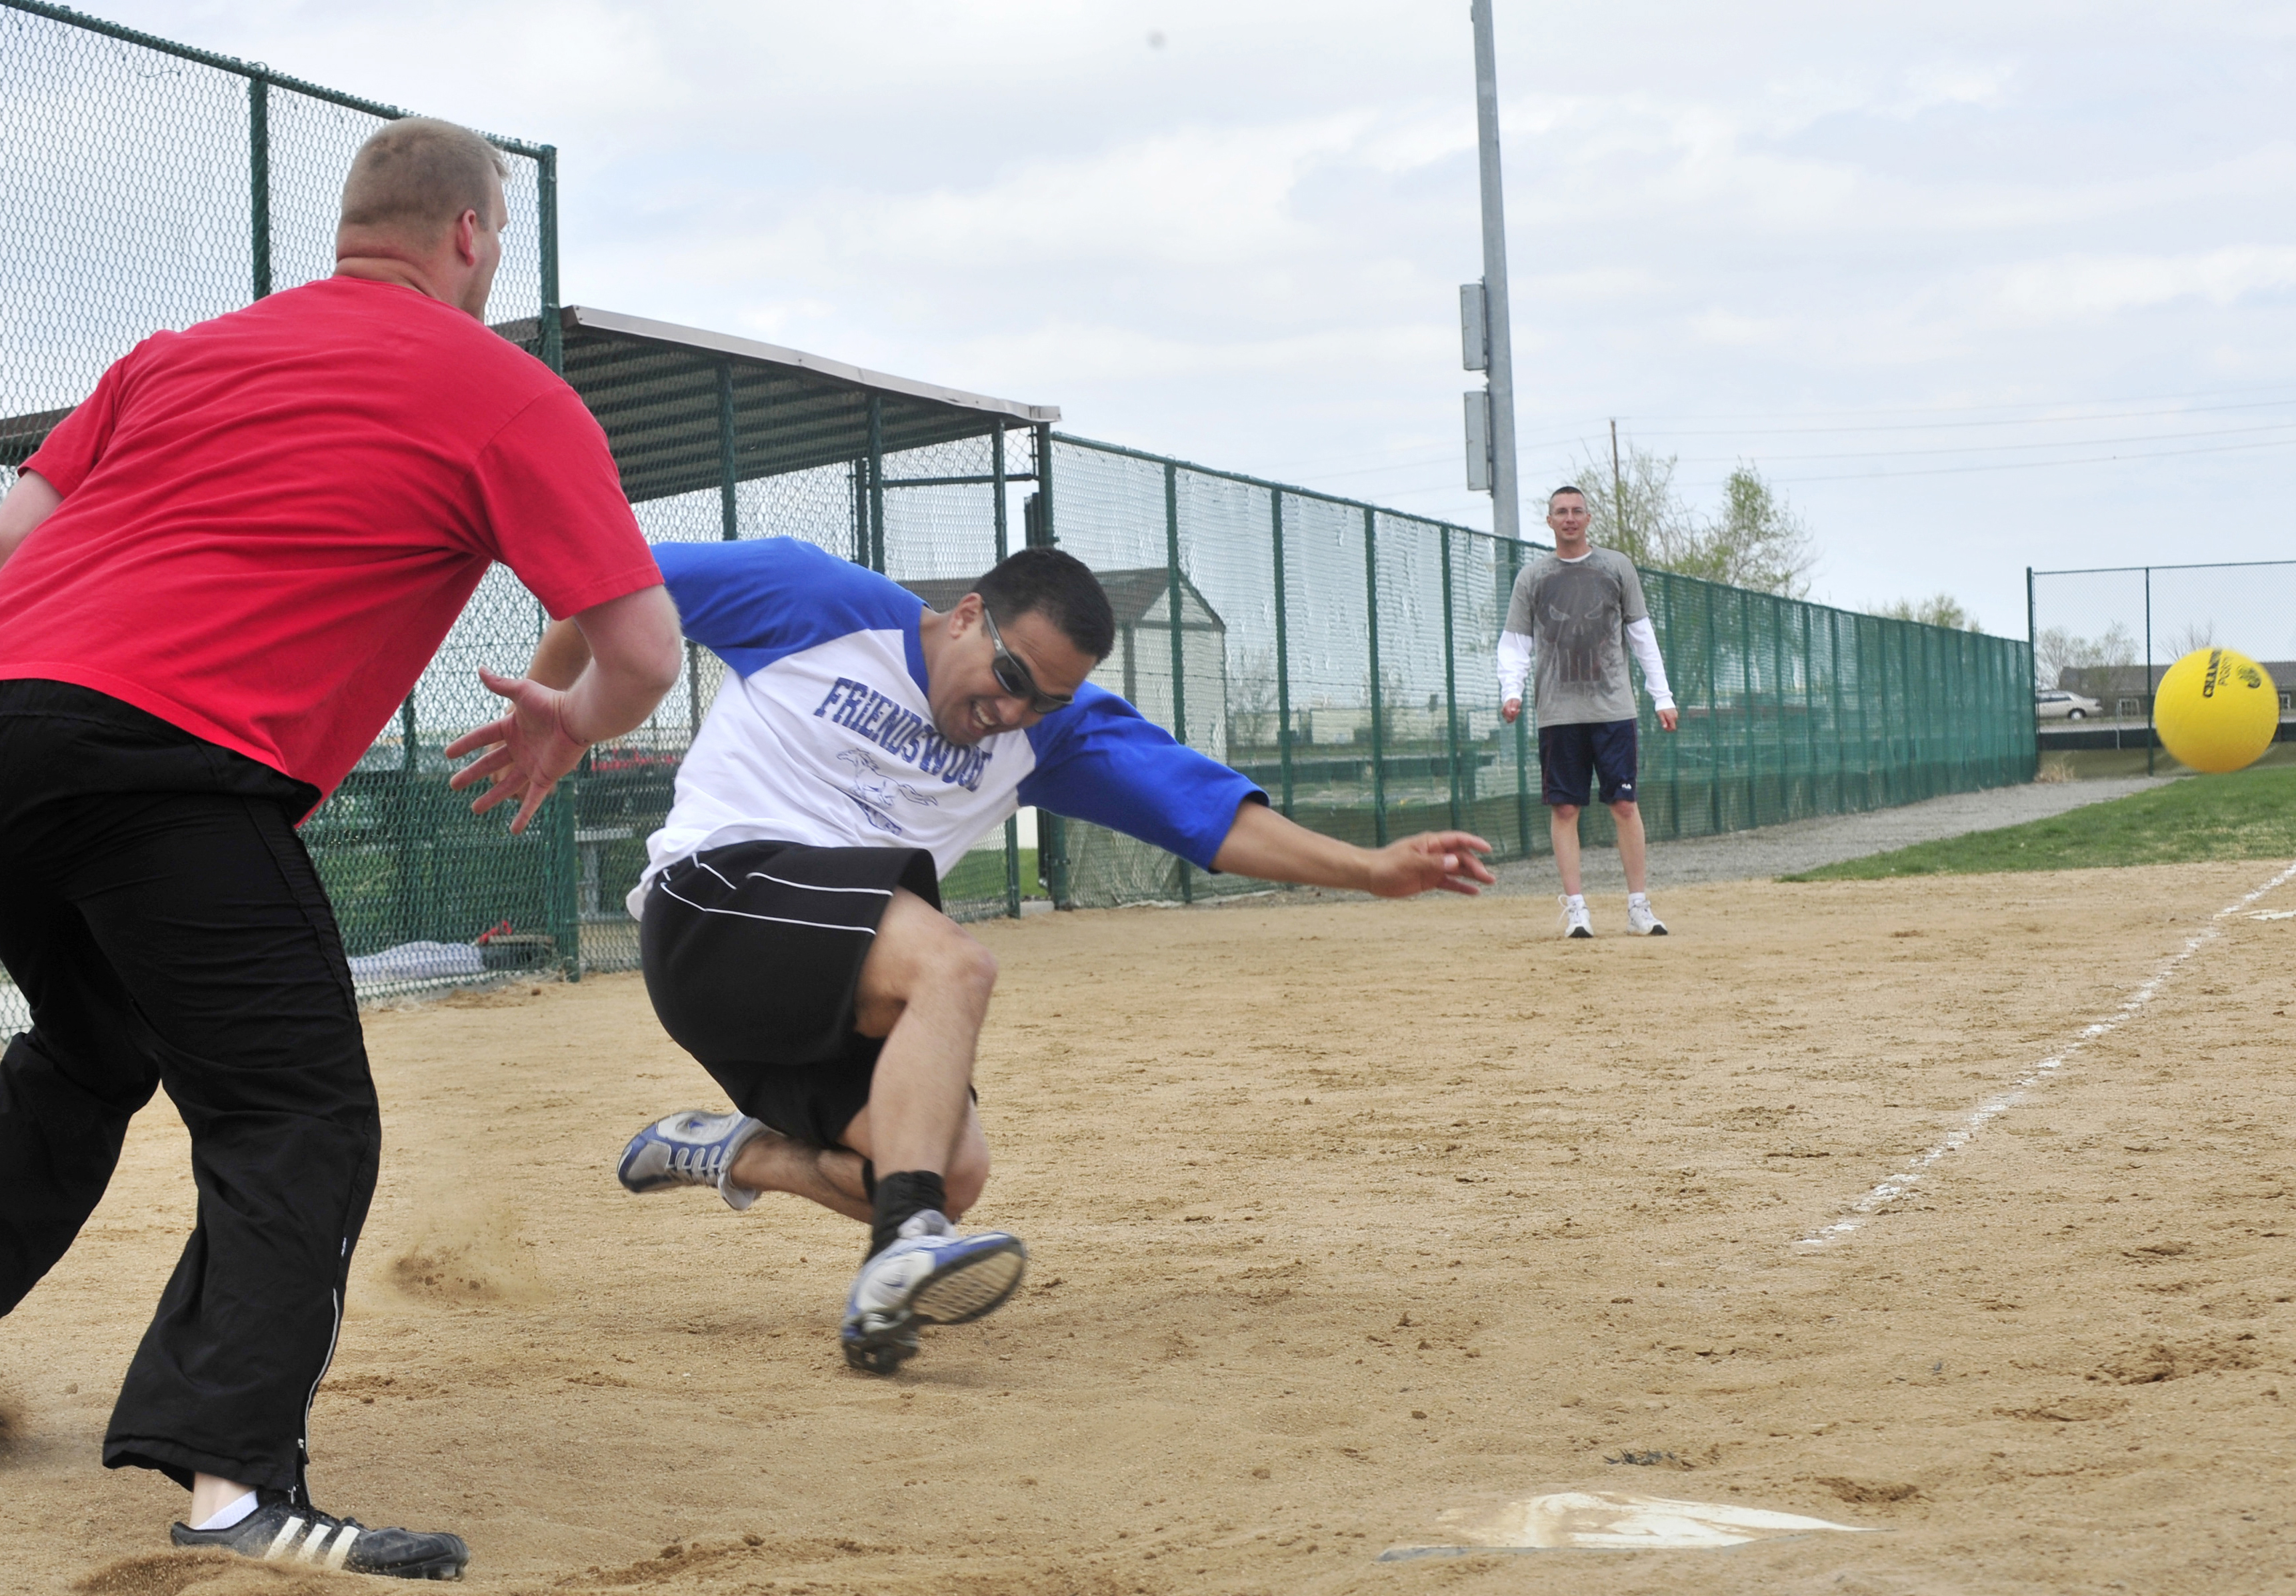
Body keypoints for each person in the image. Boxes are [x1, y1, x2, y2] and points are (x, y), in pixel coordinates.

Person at [0, 118, 683, 1579]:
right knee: (297, 1108)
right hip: (152, 757)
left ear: (354, 227)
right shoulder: (505, 392)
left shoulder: (180, 355)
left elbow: (5, 546)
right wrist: (566, 722)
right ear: (475, 237)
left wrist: (79, 660)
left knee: (94, 1043)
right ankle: (239, 1487)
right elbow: (644, 648)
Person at [524, 538, 1494, 1375]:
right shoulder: (812, 599)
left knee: (949, 1172)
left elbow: (1209, 816)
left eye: (1046, 701)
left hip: (822, 974)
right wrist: (566, 714)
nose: (1015, 712)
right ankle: (900, 1252)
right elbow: (607, 580)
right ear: (968, 616)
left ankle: (740, 1154)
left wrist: (1368, 870)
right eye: (1013, 677)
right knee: (955, 965)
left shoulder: (1052, 736)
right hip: (715, 904)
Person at [1497, 485, 1679, 939]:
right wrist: (1511, 690)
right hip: (1558, 712)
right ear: (1550, 520)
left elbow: (1641, 635)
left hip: (1613, 707)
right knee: (1565, 809)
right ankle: (1577, 910)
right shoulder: (1533, 578)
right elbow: (1515, 643)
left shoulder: (1617, 567)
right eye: (1561, 511)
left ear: (1589, 517)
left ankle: (1639, 906)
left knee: (1623, 803)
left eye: (1577, 510)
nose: (1570, 518)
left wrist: (1663, 696)